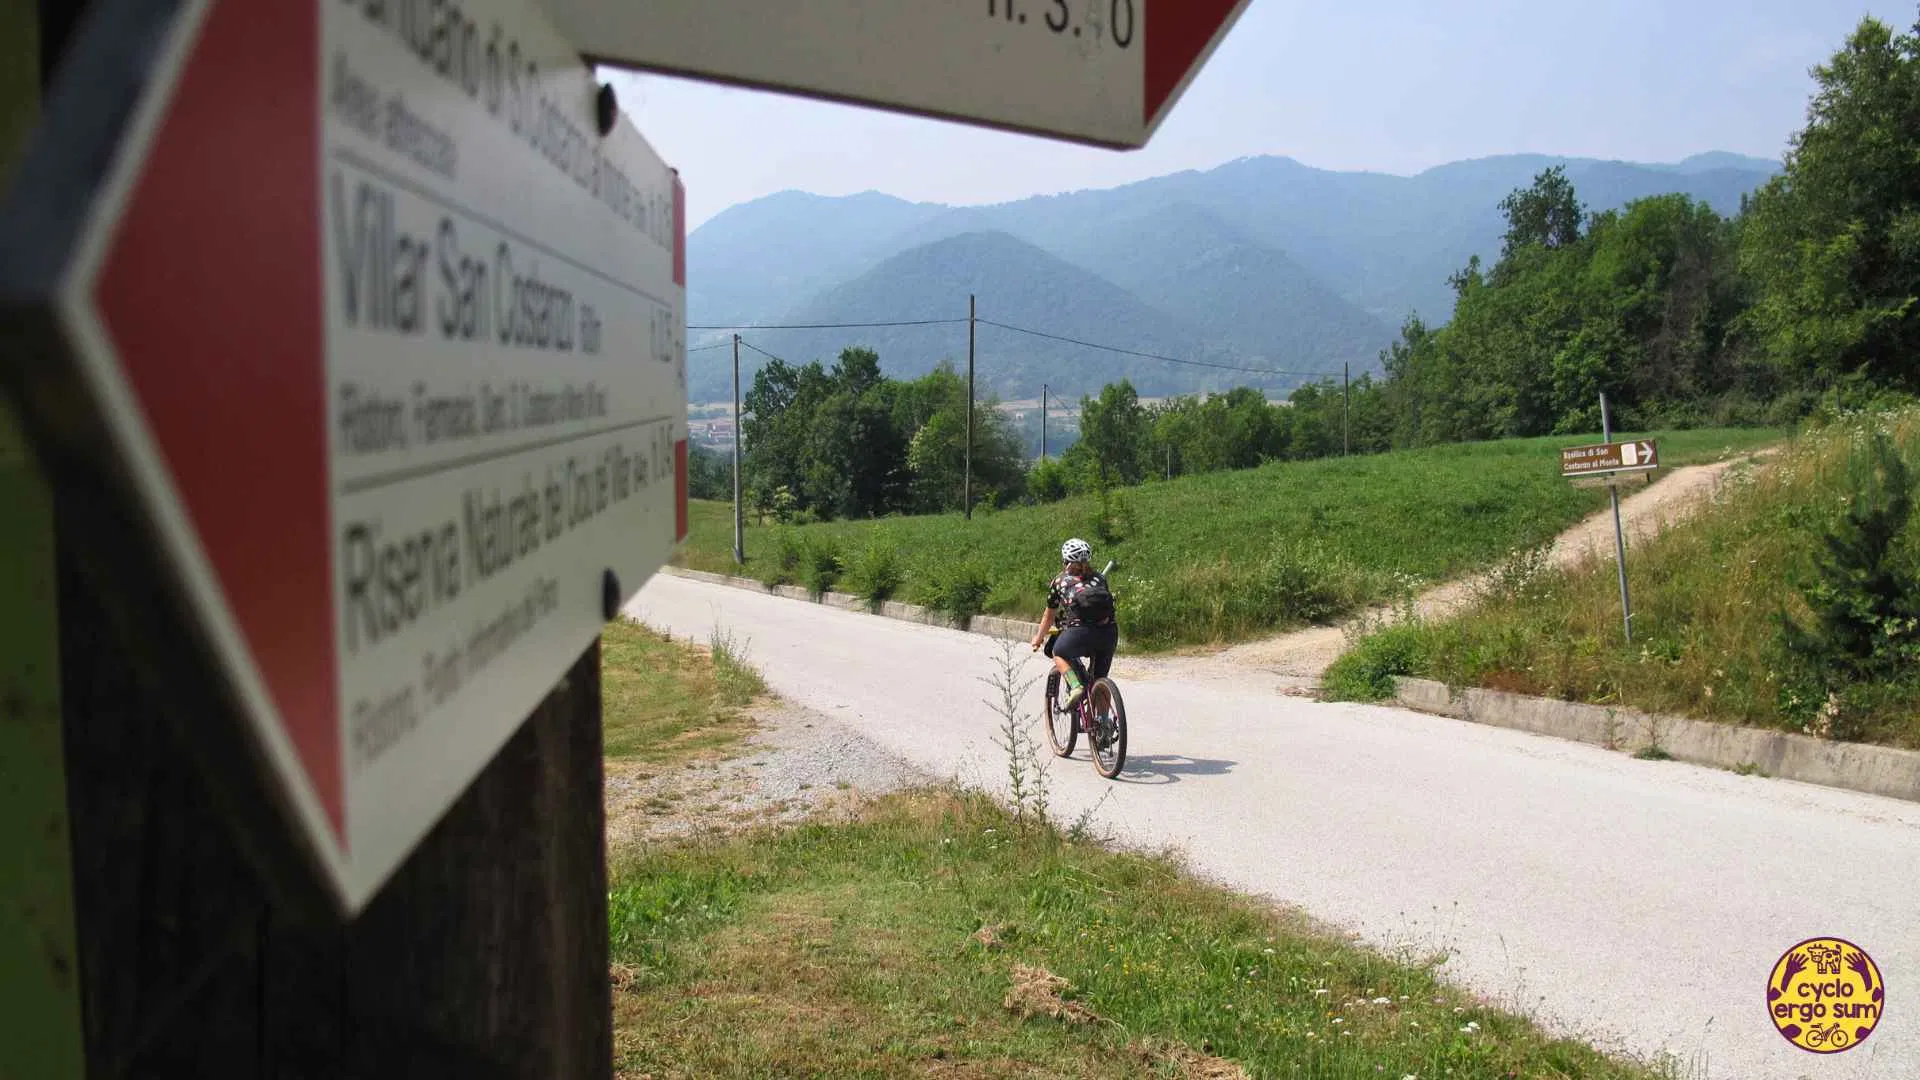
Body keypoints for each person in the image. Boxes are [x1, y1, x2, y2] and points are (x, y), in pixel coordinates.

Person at [1029, 537, 1118, 714]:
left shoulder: (1059, 581)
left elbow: (1049, 615)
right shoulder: (1100, 578)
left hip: (1080, 632)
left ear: (1065, 561)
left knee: (1058, 652)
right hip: (1108, 633)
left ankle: (1076, 685)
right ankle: (1104, 722)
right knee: (1100, 679)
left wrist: (1038, 639)